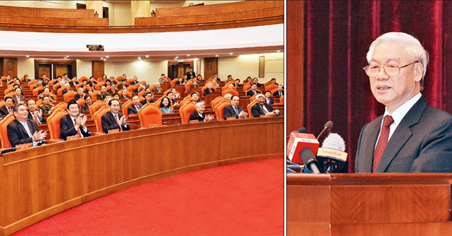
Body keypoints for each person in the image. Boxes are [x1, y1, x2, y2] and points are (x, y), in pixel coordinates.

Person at [355, 32, 452, 173]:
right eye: (375, 67)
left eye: (392, 66)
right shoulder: (369, 132)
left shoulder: (440, 127)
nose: (381, 76)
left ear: (417, 72)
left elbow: (422, 192)